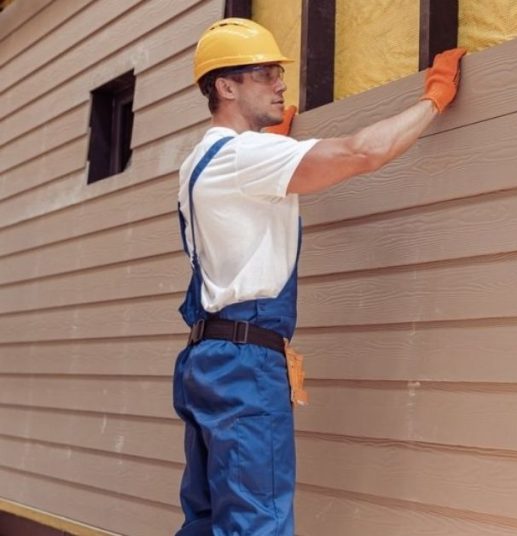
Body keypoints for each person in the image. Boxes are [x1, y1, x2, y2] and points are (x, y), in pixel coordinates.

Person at [172, 17, 465, 536]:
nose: (281, 83)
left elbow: (244, 208)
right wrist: (434, 99)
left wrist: (276, 142)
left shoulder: (201, 159)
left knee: (209, 519)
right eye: (265, 73)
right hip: (245, 363)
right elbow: (361, 153)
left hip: (208, 359)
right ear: (226, 86)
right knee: (255, 524)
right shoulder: (244, 156)